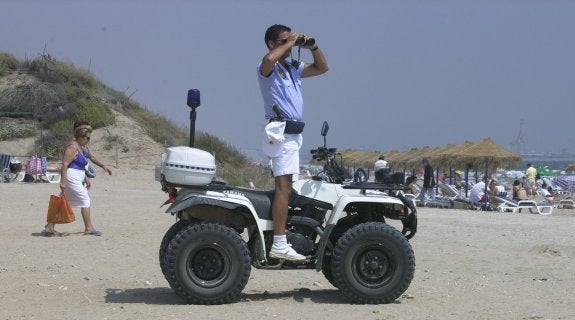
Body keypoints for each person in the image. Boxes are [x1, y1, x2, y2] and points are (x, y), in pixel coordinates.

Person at [257, 24, 328, 261]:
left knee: (289, 187)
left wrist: (312, 46)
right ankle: (279, 242)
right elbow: (268, 59)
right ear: (271, 42)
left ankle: (282, 234)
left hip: (295, 135)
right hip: (282, 134)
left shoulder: (291, 67)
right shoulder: (267, 68)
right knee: (283, 188)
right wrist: (291, 42)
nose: (291, 43)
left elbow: (322, 68)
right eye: (284, 40)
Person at [43, 126, 102, 237]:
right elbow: (65, 164)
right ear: (80, 137)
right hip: (71, 178)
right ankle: (89, 228)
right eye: (87, 138)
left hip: (76, 177)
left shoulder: (81, 147)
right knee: (85, 199)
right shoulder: (72, 147)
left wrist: (85, 176)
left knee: (65, 202)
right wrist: (63, 181)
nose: (88, 140)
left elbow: (85, 162)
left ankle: (49, 227)